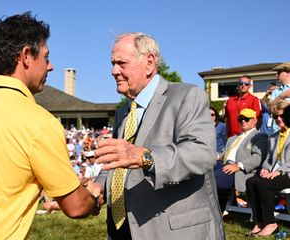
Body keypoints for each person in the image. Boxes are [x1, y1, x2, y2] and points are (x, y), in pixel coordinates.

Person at [0, 12, 103, 240]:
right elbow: (76, 206)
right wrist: (93, 197)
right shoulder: (39, 122)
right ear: (26, 56)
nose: (50, 66)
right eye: (46, 57)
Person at [94, 32, 224, 239]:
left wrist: (144, 157)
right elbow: (120, 161)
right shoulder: (123, 111)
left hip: (174, 231)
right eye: (112, 63)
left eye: (121, 63)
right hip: (124, 227)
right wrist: (98, 185)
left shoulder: (187, 95)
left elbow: (202, 153)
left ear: (149, 62)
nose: (113, 71)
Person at [245, 101, 290, 237]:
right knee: (251, 181)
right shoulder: (274, 136)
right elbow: (268, 160)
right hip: (275, 172)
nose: (279, 119)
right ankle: (259, 221)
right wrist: (265, 168)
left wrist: (280, 171)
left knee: (263, 184)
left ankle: (270, 222)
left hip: (287, 173)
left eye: (281, 116)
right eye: (276, 117)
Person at [217, 109, 268, 211]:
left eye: (246, 119)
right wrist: (216, 156)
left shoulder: (259, 136)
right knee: (202, 171)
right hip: (224, 165)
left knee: (214, 177)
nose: (243, 121)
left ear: (254, 121)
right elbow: (224, 154)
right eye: (240, 119)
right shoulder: (232, 138)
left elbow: (257, 158)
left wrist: (238, 166)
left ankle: (219, 208)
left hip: (240, 170)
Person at [268, 63, 290, 134]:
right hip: (276, 130)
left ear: (287, 73)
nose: (276, 75)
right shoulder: (276, 91)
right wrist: (282, 96)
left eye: (279, 72)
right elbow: (269, 107)